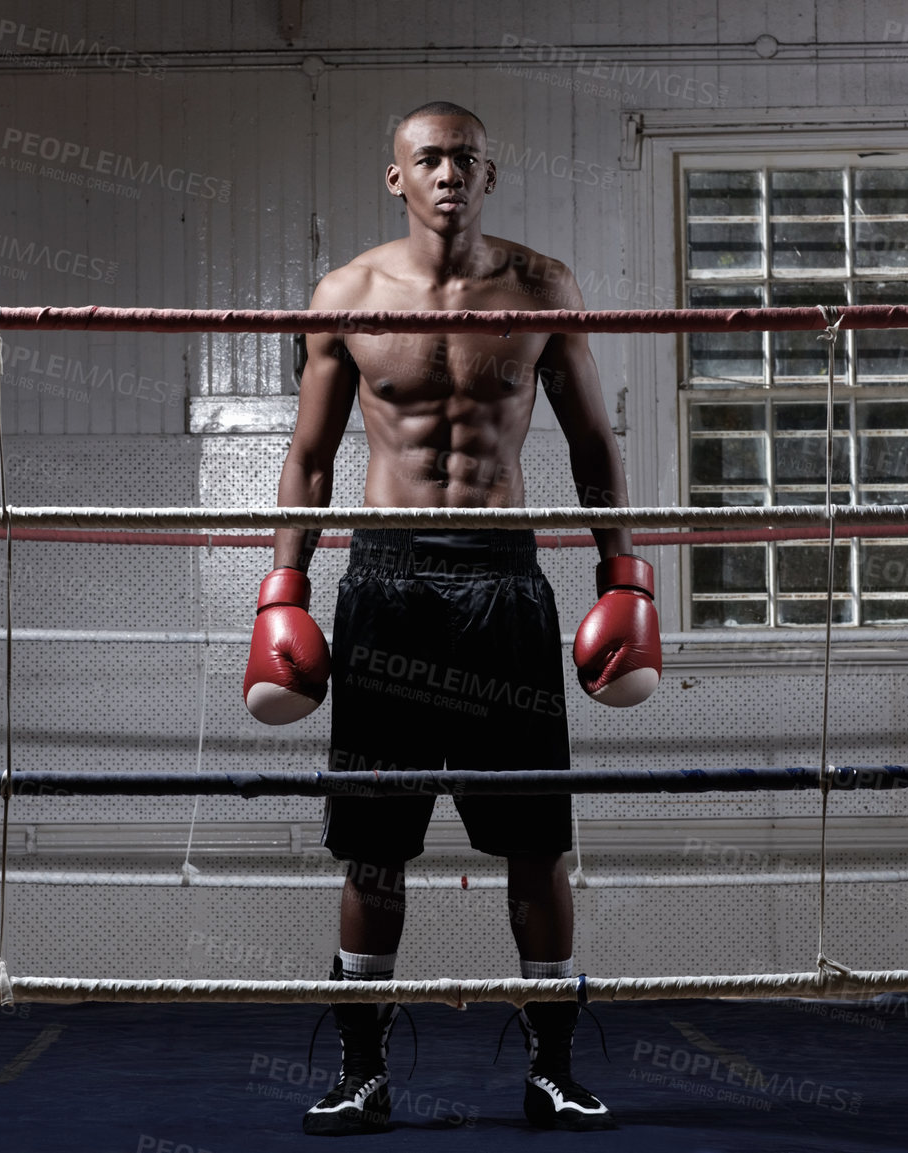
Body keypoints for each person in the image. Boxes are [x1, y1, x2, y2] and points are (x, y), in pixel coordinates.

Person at [242, 100, 661, 1136]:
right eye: (427, 160)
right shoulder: (345, 293)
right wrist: (283, 588)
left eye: (465, 160)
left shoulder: (540, 286)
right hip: (384, 581)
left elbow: (590, 441)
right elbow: (308, 456)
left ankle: (553, 1071)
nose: (446, 175)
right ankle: (359, 1072)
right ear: (396, 178)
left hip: (502, 579)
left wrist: (623, 574)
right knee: (373, 853)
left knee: (535, 845)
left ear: (488, 176)